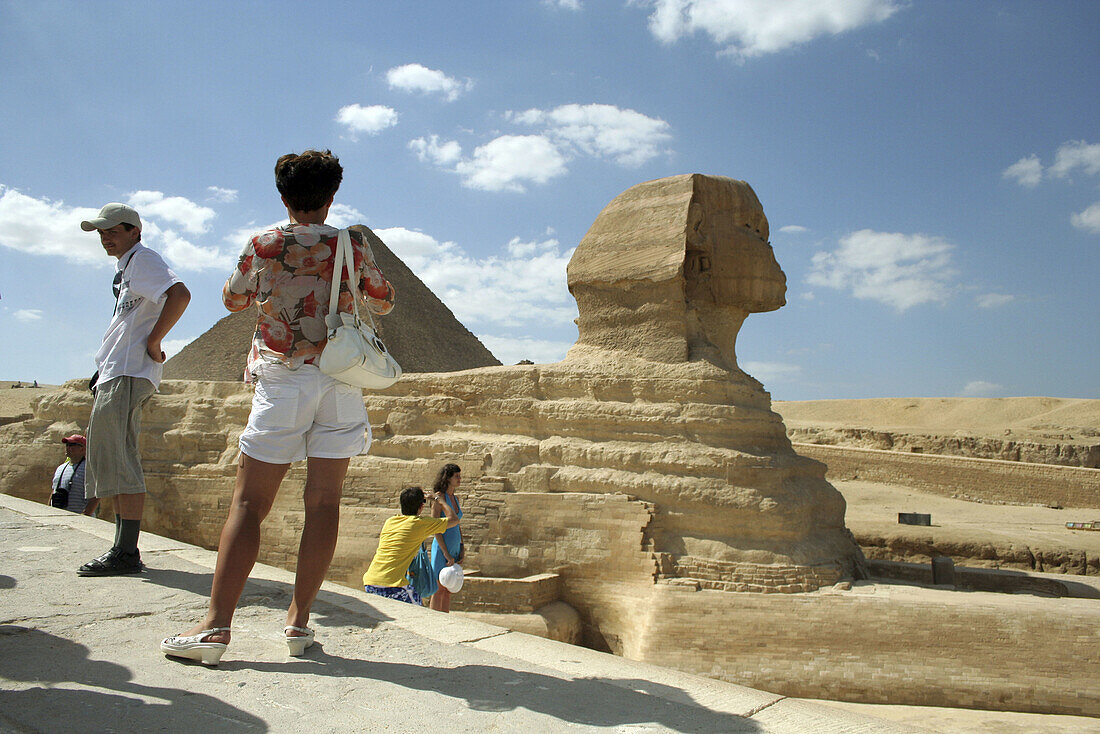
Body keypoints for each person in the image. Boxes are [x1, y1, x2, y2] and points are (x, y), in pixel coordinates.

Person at [161, 149, 396, 666]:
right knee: (325, 502)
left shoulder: (264, 243)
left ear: (283, 196)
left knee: (249, 504)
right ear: (331, 196)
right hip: (340, 380)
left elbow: (233, 299)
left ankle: (216, 628)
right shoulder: (351, 244)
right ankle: (299, 623)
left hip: (284, 376)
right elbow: (382, 299)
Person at [77, 203, 191, 577]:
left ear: (135, 232)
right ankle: (122, 548)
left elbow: (180, 294)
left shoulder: (142, 260)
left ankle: (126, 552)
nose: (106, 237)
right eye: (101, 232)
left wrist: (154, 341)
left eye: (113, 230)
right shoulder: (127, 269)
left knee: (121, 459)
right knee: (112, 456)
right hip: (115, 370)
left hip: (127, 371)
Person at [363, 487, 459, 605]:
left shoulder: (390, 521)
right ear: (421, 507)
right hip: (392, 584)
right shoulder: (420, 524)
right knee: (417, 611)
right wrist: (439, 499)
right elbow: (454, 519)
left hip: (370, 581)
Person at [428, 464, 464, 612]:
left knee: (449, 587)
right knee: (438, 588)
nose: (459, 479)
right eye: (456, 476)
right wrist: (446, 553)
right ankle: (435, 624)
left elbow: (457, 524)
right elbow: (435, 528)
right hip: (442, 548)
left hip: (455, 547)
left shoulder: (455, 499)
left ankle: (446, 622)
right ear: (448, 478)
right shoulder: (439, 498)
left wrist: (462, 547)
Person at [48, 434, 98, 516]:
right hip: (57, 517)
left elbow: (95, 495)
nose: (68, 448)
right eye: (67, 445)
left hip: (79, 518)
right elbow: (54, 491)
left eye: (72, 445)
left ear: (82, 448)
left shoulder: (89, 469)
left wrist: (86, 515)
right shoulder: (60, 468)